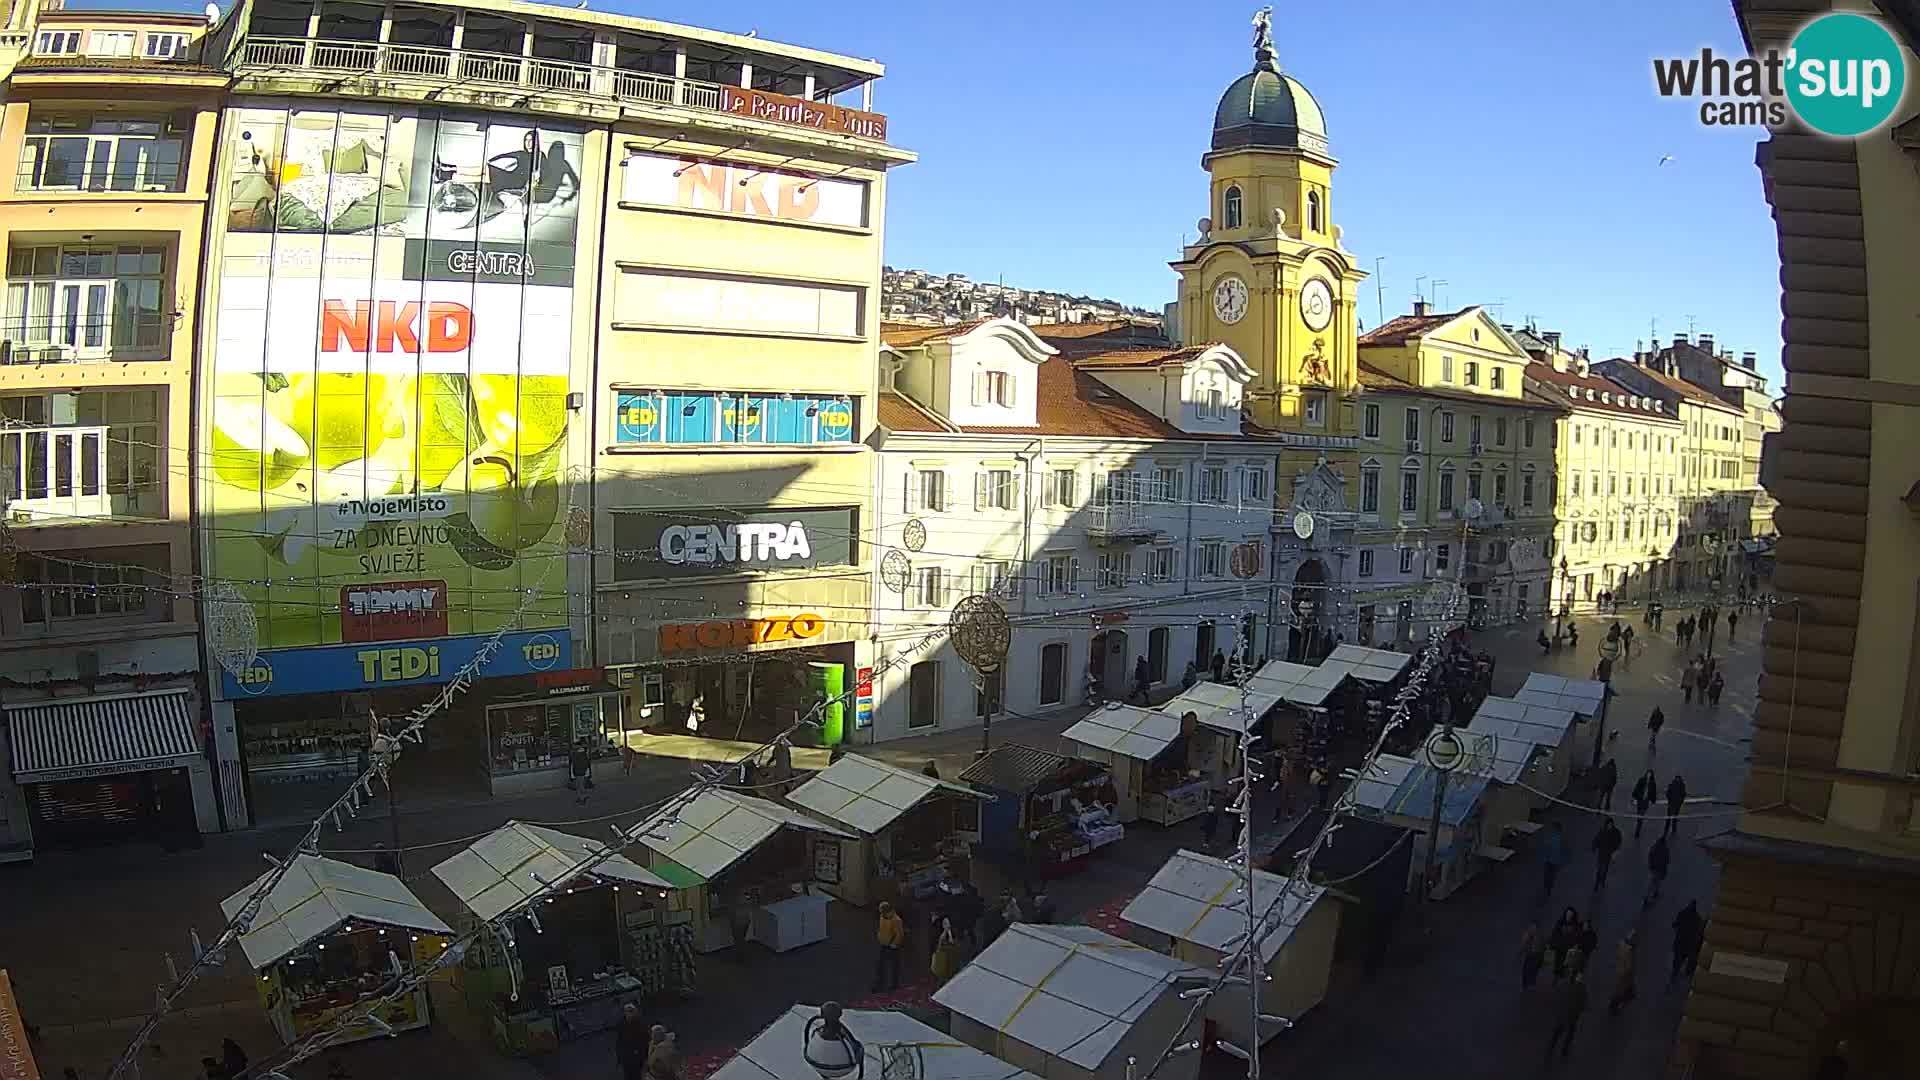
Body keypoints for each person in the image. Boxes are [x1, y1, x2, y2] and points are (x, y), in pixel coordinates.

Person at [1543, 970, 1587, 1061]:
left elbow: (1558, 996)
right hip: (1573, 1015)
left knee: (1558, 1032)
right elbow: (1583, 1003)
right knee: (1570, 1032)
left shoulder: (1564, 985)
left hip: (1563, 1014)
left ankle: (1551, 1047)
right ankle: (1564, 1049)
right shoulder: (1581, 989)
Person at [872, 901, 905, 992]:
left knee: (893, 966)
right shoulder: (882, 916)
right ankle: (879, 985)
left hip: (892, 946)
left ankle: (894, 984)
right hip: (883, 944)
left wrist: (894, 944)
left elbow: (900, 934)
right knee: (881, 965)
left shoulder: (896, 920)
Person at [1671, 901, 1705, 980]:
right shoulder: (1698, 919)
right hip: (1689, 947)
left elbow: (1675, 925)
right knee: (1687, 961)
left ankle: (1674, 976)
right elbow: (1700, 934)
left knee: (1677, 962)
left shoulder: (1682, 914)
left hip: (1680, 944)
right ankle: (1686, 974)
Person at [1607, 930, 1639, 1016]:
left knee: (1619, 989)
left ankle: (1614, 1004)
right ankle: (1614, 1006)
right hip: (1625, 974)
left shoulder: (1621, 944)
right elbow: (1629, 966)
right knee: (1621, 991)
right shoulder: (1629, 951)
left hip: (1619, 970)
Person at [616, 1003, 651, 1080]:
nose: (629, 1014)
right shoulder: (621, 1024)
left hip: (637, 1056)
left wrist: (644, 1056)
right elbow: (619, 1040)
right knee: (628, 1075)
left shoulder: (640, 1024)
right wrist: (619, 1056)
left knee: (637, 1075)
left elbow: (645, 1040)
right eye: (628, 1012)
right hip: (626, 1057)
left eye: (631, 1011)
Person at [1591, 818, 1623, 891]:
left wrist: (1615, 850)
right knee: (1600, 868)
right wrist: (1594, 846)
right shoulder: (1603, 831)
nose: (1609, 826)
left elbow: (1618, 841)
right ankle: (1597, 882)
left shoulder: (1615, 832)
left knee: (1604, 868)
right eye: (1608, 824)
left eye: (1610, 824)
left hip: (1608, 853)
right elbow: (1597, 839)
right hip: (1602, 852)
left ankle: (1602, 880)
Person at [1549, 907, 1580, 979]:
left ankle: (1561, 978)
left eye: (1570, 914)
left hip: (1567, 949)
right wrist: (1552, 943)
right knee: (1557, 964)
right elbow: (1555, 933)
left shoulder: (1575, 925)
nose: (1568, 916)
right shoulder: (1560, 922)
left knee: (1564, 966)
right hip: (1559, 947)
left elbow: (1576, 937)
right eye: (1568, 914)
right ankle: (1556, 978)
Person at [1541, 821, 1568, 897]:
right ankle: (1548, 887)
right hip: (1554, 861)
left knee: (1548, 874)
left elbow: (1546, 847)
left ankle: (1547, 887)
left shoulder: (1552, 837)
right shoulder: (1561, 838)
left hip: (1550, 860)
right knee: (1551, 875)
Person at [1631, 769, 1659, 838]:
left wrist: (1653, 800)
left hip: (1645, 801)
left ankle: (1638, 830)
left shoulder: (1652, 783)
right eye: (1648, 774)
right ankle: (1639, 825)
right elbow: (1637, 788)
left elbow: (1653, 792)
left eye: (1650, 775)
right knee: (1639, 814)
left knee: (1641, 815)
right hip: (1640, 800)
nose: (1648, 776)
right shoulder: (1642, 780)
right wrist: (1634, 796)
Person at [1646, 834, 1671, 907]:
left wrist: (1650, 864)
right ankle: (1650, 895)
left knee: (1654, 880)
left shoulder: (1654, 847)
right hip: (1660, 868)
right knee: (1655, 881)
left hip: (1654, 868)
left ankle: (1653, 893)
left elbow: (1650, 855)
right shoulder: (1665, 850)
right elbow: (1667, 860)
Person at [1520, 921, 1546, 989]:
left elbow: (1543, 948)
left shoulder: (1540, 936)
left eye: (1534, 927)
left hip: (1536, 956)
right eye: (1532, 927)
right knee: (1527, 972)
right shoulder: (1528, 935)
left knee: (1532, 972)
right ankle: (1527, 987)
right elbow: (1524, 946)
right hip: (1531, 956)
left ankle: (1530, 986)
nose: (1533, 929)